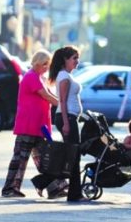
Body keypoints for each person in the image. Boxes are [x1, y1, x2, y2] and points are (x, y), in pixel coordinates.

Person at [1, 50, 63, 198]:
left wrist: (62, 103)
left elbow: (50, 95)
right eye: (44, 64)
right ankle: (10, 188)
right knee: (20, 159)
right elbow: (46, 95)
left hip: (40, 126)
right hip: (28, 125)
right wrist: (64, 106)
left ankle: (55, 188)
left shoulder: (40, 78)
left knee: (45, 159)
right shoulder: (31, 77)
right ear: (36, 63)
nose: (47, 67)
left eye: (48, 64)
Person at [49, 45, 85, 202]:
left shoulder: (66, 76)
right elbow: (62, 101)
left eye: (78, 58)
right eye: (74, 58)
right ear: (65, 60)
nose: (77, 61)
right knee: (74, 156)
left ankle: (73, 192)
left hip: (71, 117)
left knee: (73, 155)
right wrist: (66, 123)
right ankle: (74, 194)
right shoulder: (64, 77)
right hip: (67, 118)